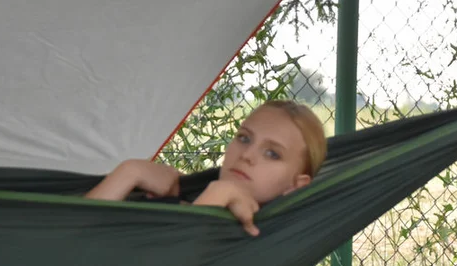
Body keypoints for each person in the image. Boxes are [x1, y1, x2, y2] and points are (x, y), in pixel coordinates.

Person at [86, 100, 326, 236]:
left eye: (272, 153)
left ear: (296, 185)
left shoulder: (256, 238)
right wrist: (129, 173)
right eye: (244, 138)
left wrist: (213, 201)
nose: (247, 155)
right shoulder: (189, 198)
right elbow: (66, 232)